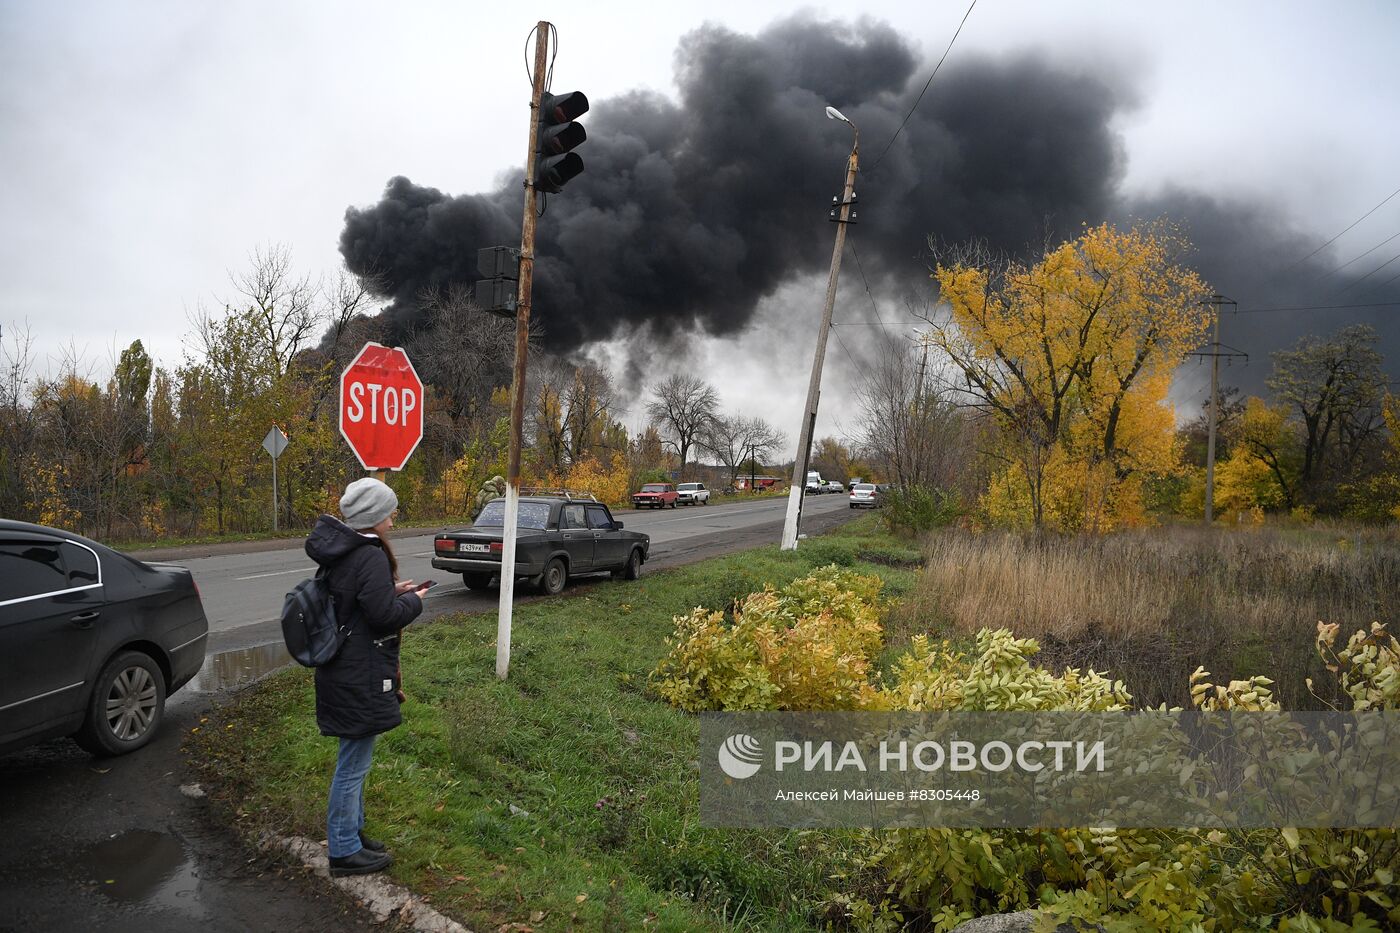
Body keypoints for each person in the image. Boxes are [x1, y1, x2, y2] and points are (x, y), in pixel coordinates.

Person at [305, 477, 426, 877]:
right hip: (359, 672)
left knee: (353, 757)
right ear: (373, 517)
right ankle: (343, 850)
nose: (394, 518)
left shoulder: (343, 550)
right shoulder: (369, 555)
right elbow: (382, 618)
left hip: (341, 669)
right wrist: (411, 600)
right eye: (390, 511)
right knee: (353, 764)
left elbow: (356, 601)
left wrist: (391, 591)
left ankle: (352, 833)